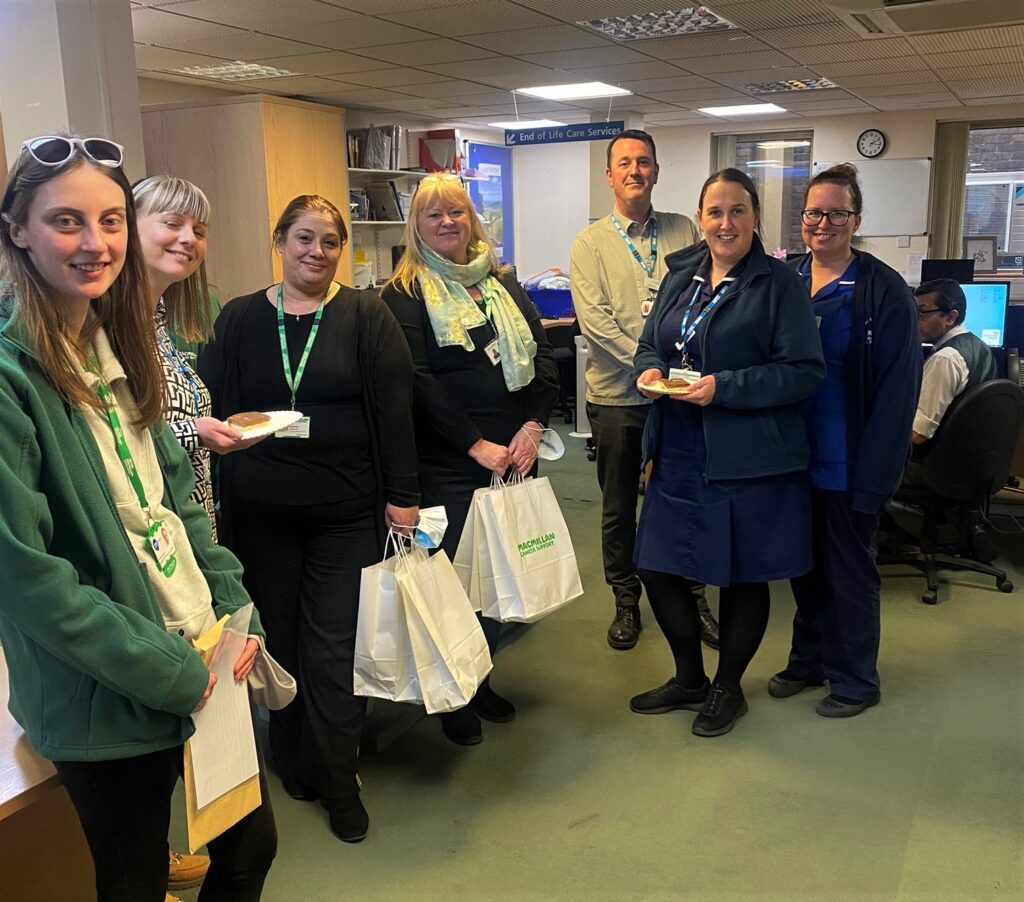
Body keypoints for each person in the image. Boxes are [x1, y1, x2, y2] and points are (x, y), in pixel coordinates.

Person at [0, 134, 281, 902]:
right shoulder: (8, 372)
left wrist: (234, 605)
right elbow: (25, 578)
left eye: (112, 219)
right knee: (133, 878)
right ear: (17, 230)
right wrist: (169, 672)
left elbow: (175, 502)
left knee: (250, 846)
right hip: (111, 684)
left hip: (196, 648)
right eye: (67, 222)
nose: (97, 244)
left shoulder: (111, 338)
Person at [199, 194, 419, 844]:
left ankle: (337, 774)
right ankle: (290, 755)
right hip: (260, 514)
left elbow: (394, 410)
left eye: (328, 241)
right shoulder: (239, 318)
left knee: (331, 648)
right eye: (304, 238)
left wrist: (402, 496)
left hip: (343, 512)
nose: (316, 252)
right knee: (280, 643)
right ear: (280, 241)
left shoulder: (364, 315)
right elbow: (213, 406)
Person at [631, 168, 825, 737]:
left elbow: (803, 372)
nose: (725, 223)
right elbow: (651, 343)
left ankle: (728, 686)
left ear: (756, 217)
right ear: (700, 218)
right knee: (656, 566)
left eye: (737, 211)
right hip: (679, 448)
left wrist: (724, 388)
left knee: (742, 577)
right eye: (714, 212)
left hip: (750, 457)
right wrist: (648, 371)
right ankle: (690, 675)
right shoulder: (682, 276)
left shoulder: (781, 284)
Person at [382, 174, 558, 746]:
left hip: (515, 455)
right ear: (417, 225)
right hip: (450, 462)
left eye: (456, 211)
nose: (447, 223)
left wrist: (532, 427)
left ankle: (479, 677)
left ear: (472, 218)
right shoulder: (404, 293)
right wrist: (474, 444)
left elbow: (545, 358)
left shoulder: (503, 283)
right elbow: (418, 379)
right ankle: (453, 695)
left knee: (497, 578)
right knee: (453, 581)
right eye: (433, 215)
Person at [768, 164, 921, 719]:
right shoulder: (783, 280)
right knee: (802, 568)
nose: (824, 222)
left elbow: (898, 394)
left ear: (856, 220)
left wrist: (877, 478)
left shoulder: (884, 292)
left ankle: (855, 679)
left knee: (850, 572)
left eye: (836, 212)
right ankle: (807, 661)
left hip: (849, 460)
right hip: (791, 458)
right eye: (814, 212)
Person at [570, 129, 718, 652]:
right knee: (618, 507)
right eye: (625, 163)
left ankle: (693, 596)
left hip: (681, 397)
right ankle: (626, 601)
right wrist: (649, 369)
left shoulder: (684, 232)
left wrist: (675, 376)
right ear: (609, 175)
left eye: (644, 162)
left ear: (656, 170)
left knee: (683, 498)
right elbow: (597, 324)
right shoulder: (589, 244)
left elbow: (709, 300)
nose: (635, 170)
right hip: (617, 399)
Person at [134, 174, 265, 545]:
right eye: (172, 223)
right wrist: (197, 432)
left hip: (191, 525)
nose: (189, 238)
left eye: (199, 230)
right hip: (152, 536)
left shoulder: (157, 321)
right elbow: (109, 443)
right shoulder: (108, 329)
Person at [911, 278, 997, 447]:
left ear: (951, 317)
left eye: (922, 313)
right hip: (967, 459)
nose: (914, 320)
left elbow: (917, 434)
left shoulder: (945, 359)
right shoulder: (979, 346)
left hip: (930, 465)